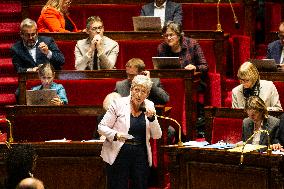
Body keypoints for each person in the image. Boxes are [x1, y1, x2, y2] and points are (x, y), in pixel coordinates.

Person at [98, 75, 162, 189]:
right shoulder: (119, 104)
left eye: (143, 91)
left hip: (140, 154)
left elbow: (157, 135)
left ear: (147, 94)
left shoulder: (150, 105)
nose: (139, 94)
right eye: (137, 90)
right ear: (131, 89)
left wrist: (152, 119)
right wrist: (116, 135)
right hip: (120, 152)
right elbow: (102, 127)